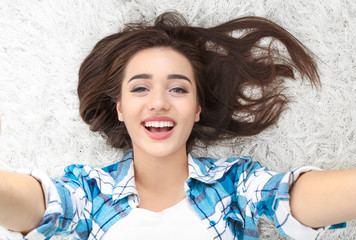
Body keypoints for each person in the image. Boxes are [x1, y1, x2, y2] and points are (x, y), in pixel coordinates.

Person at [0, 12, 355, 240]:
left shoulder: (235, 184)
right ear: (120, 108)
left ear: (197, 108)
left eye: (178, 88)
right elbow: (40, 205)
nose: (158, 102)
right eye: (140, 88)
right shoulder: (89, 192)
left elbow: (290, 198)